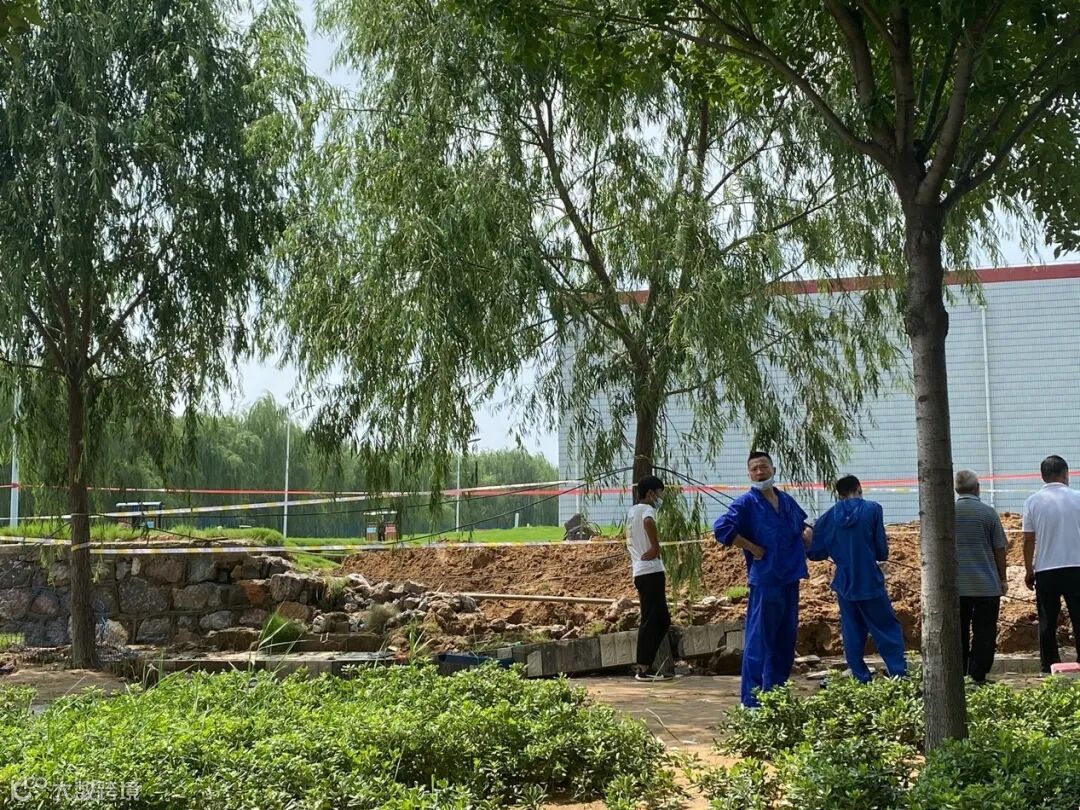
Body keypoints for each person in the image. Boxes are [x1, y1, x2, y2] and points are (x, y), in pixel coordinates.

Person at [713, 452, 811, 707]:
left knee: (785, 639)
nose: (760, 472)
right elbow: (722, 528)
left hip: (790, 578)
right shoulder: (746, 503)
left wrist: (809, 535)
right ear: (749, 474)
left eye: (763, 467)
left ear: (773, 469)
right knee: (759, 641)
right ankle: (752, 701)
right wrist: (752, 547)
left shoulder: (786, 501)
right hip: (766, 580)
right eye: (754, 469)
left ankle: (775, 695)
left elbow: (801, 526)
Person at [808, 475, 907, 683]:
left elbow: (815, 553)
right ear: (859, 488)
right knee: (886, 628)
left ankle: (861, 677)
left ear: (839, 494)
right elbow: (881, 551)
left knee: (852, 630)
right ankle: (898, 675)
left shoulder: (828, 517)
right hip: (869, 580)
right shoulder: (873, 509)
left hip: (844, 583)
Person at [1022, 455, 1080, 673]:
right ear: (1066, 474)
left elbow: (1028, 539)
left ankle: (1048, 665)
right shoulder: (1078, 497)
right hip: (1076, 567)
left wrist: (1029, 570)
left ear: (1043, 476)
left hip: (1046, 569)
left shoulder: (1032, 502)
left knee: (1047, 621)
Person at [953, 469, 1008, 685]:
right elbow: (999, 548)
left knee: (958, 632)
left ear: (956, 489)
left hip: (956, 587)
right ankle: (978, 675)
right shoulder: (988, 513)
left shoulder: (946, 513)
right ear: (977, 488)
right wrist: (1003, 579)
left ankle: (959, 674)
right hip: (986, 586)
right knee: (984, 632)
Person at [626, 474, 674, 682]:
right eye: (659, 493)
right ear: (650, 493)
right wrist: (655, 547)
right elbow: (648, 522)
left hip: (642, 571)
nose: (660, 497)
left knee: (662, 619)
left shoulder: (632, 511)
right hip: (650, 571)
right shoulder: (647, 510)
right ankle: (643, 668)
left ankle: (647, 664)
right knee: (651, 619)